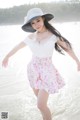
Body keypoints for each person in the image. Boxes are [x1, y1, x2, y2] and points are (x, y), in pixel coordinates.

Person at [2, 8, 80, 120]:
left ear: (43, 19)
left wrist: (77, 61)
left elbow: (67, 48)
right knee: (42, 105)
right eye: (33, 23)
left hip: (47, 71)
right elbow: (17, 47)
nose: (36, 24)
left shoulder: (53, 36)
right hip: (32, 70)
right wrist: (7, 56)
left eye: (38, 20)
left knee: (40, 105)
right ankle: (47, 116)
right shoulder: (31, 37)